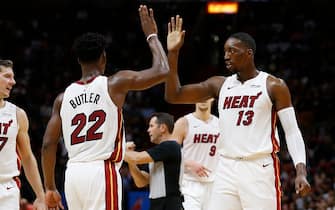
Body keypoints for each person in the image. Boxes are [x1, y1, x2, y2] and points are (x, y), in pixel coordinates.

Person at [165, 15, 311, 210]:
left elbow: (292, 131)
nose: (226, 56)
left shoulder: (273, 85)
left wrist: (300, 170)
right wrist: (173, 54)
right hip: (225, 168)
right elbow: (173, 95)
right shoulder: (219, 84)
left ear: (249, 53)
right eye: (225, 51)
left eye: (232, 51)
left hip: (259, 168)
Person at [41, 5, 169, 210]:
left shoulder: (62, 98)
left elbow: (48, 144)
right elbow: (162, 70)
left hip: (72, 174)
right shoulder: (114, 83)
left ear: (78, 60)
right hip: (101, 172)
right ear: (103, 57)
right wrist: (151, 35)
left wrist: (49, 187)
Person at [0, 59, 46, 210]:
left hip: (7, 189)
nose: (13, 82)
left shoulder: (17, 114)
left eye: (13, 77)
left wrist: (40, 195)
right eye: (7, 76)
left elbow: (27, 156)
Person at [124, 112, 183, 210]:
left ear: (163, 128)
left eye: (151, 126)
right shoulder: (159, 153)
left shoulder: (170, 146)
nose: (148, 130)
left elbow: (137, 158)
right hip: (158, 203)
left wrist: (119, 150)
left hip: (169, 203)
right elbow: (141, 182)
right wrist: (130, 160)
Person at [172, 98, 221, 210]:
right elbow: (171, 153)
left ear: (212, 99)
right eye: (199, 96)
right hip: (189, 184)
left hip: (214, 184)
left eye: (206, 96)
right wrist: (189, 163)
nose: (203, 99)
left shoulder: (220, 123)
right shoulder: (184, 122)